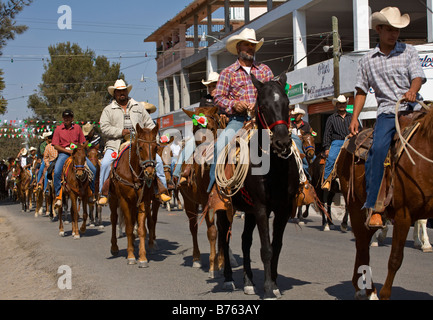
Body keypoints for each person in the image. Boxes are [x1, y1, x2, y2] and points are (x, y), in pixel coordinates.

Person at [349, 7, 426, 228]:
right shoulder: (367, 61)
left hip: (414, 107)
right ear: (379, 29)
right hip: (387, 113)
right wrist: (355, 117)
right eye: (390, 30)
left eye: (397, 30)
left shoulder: (408, 51)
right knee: (379, 149)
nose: (394, 34)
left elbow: (418, 77)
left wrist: (412, 89)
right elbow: (361, 91)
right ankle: (375, 206)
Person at [207, 28, 273, 193]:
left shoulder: (265, 70)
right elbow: (219, 98)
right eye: (247, 45)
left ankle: (302, 185)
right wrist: (234, 105)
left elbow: (272, 94)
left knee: (294, 143)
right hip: (238, 121)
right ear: (238, 48)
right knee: (219, 146)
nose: (250, 48)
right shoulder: (227, 73)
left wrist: (259, 104)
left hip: (263, 120)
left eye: (253, 45)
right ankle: (214, 189)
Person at [98, 79, 171, 205]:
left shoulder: (138, 107)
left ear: (127, 91)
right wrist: (121, 132)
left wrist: (155, 141)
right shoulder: (108, 109)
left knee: (157, 161)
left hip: (139, 143)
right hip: (117, 144)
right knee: (105, 163)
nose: (122, 93)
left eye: (124, 90)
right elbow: (104, 127)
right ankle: (104, 193)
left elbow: (149, 123)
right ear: (114, 93)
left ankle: (162, 190)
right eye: (119, 91)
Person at [172, 71, 220, 186]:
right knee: (188, 146)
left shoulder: (224, 100)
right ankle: (179, 173)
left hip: (220, 132)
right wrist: (200, 121)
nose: (211, 88)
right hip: (204, 133)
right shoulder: (204, 100)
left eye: (214, 86)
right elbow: (197, 118)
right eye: (209, 86)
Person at [52, 109, 97, 207]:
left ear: (72, 118)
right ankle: (58, 195)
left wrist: (84, 146)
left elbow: (83, 141)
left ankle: (91, 193)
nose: (66, 119)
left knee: (93, 169)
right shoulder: (58, 129)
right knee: (56, 171)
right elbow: (55, 145)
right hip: (64, 153)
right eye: (65, 117)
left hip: (77, 153)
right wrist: (67, 151)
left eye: (68, 117)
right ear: (62, 118)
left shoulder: (77, 128)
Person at [322, 95, 355, 190]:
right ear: (336, 105)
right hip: (337, 142)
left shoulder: (352, 117)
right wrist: (327, 148)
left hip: (350, 141)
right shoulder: (331, 118)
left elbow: (358, 129)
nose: (342, 105)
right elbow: (327, 134)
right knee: (331, 159)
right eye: (339, 103)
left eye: (343, 103)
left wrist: (354, 133)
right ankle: (327, 180)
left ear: (346, 104)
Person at [290, 107, 315, 180]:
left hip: (305, 144)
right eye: (295, 115)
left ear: (301, 115)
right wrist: (296, 137)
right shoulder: (291, 124)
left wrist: (305, 135)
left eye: (297, 115)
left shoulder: (306, 125)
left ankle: (313, 173)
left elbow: (313, 134)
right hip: (294, 144)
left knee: (314, 158)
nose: (295, 116)